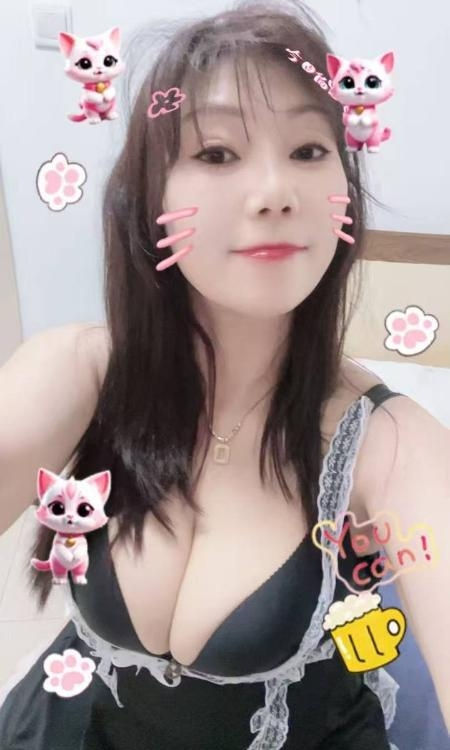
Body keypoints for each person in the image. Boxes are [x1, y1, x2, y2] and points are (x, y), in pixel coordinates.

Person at [0, 1, 449, 748]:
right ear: (149, 196)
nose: (274, 192)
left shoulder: (394, 446)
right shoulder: (79, 370)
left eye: (309, 149)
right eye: (215, 154)